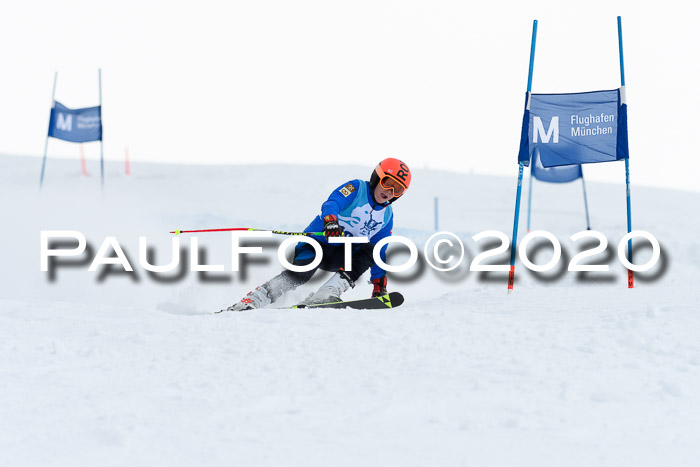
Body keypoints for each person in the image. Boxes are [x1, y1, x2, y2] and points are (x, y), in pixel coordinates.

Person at [225, 157, 412, 311]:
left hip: (341, 256)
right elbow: (333, 202)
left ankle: (328, 292)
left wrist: (379, 284)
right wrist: (331, 221)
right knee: (301, 274)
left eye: (398, 189)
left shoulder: (386, 216)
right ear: (377, 177)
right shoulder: (356, 188)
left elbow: (380, 250)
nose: (390, 191)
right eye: (388, 183)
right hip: (318, 244)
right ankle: (253, 301)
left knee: (371, 249)